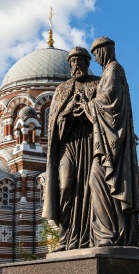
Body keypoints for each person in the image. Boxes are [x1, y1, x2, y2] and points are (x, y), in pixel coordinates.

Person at [76, 37, 139, 247]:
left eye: (96, 54)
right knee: (98, 182)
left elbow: (108, 102)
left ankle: (108, 234)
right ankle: (109, 232)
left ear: (103, 51)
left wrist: (86, 104)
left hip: (111, 140)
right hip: (105, 138)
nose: (95, 60)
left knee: (96, 181)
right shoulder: (110, 71)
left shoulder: (113, 69)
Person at [42, 47, 100, 251]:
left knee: (93, 191)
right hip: (68, 146)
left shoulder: (97, 83)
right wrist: (68, 113)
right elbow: (55, 122)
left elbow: (105, 112)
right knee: (65, 186)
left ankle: (93, 236)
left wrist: (86, 111)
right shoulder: (62, 89)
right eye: (72, 62)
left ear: (87, 62)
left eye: (80, 61)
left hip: (92, 144)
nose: (76, 65)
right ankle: (66, 238)